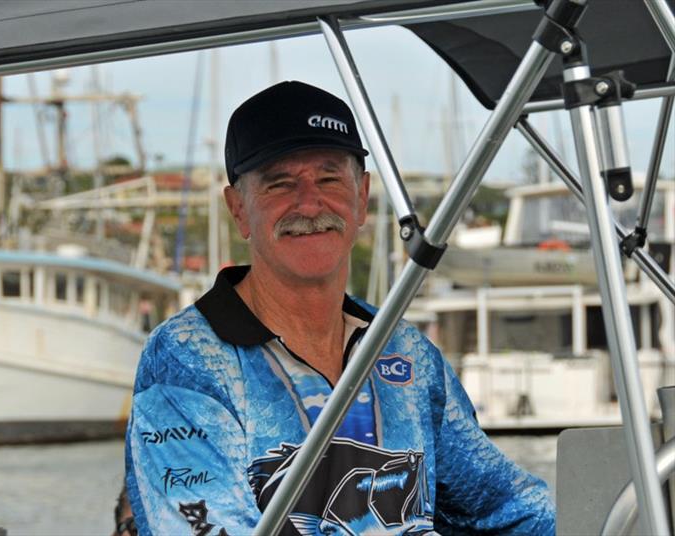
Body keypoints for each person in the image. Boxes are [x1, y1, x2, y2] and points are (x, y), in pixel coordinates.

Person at [125, 81, 555, 535]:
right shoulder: (187, 358)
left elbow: (506, 505)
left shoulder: (405, 352)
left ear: (361, 196)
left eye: (329, 178)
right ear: (238, 209)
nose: (309, 204)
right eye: (280, 184)